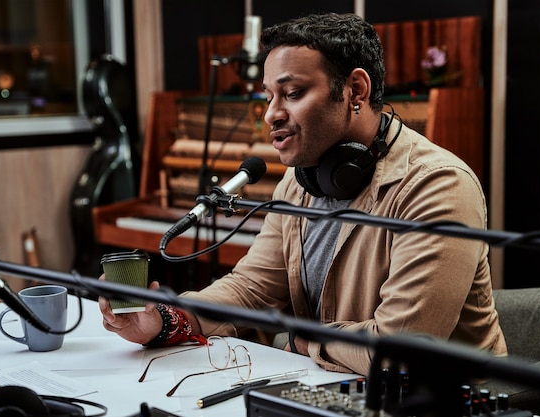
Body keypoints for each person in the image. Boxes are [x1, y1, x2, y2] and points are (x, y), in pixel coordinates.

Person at [99, 12, 507, 376]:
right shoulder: (300, 179)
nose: (271, 113)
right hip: (334, 381)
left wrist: (301, 339)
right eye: (268, 96)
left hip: (447, 398)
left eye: (292, 94)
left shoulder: (437, 185)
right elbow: (251, 287)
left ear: (356, 91)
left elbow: (404, 350)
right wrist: (169, 319)